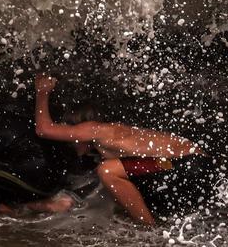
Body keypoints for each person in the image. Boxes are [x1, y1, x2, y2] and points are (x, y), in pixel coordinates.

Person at [34, 74, 218, 225]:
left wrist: (42, 92)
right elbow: (80, 199)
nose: (69, 142)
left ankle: (149, 230)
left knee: (107, 171)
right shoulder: (112, 142)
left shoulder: (95, 129)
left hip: (190, 164)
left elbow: (44, 129)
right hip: (190, 168)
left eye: (70, 132)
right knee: (115, 184)